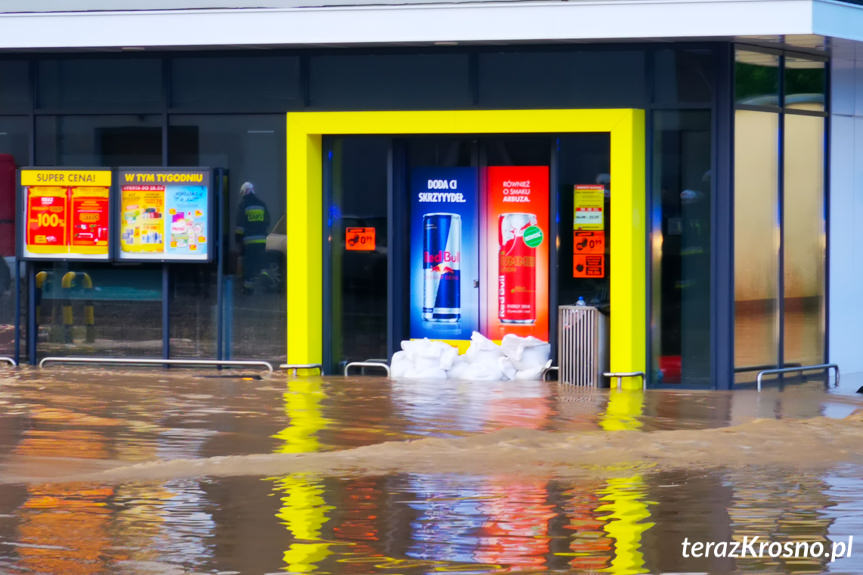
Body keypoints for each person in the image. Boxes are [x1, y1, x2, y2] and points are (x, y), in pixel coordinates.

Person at [234, 181, 271, 293]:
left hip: (249, 240)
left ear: (244, 192)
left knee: (248, 264)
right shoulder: (261, 204)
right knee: (260, 259)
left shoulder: (243, 205)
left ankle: (248, 288)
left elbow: (240, 225)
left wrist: (238, 239)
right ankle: (264, 273)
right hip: (261, 239)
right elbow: (267, 221)